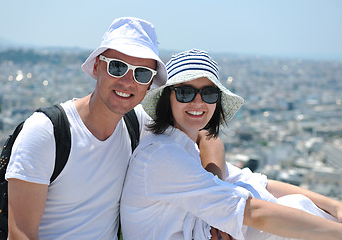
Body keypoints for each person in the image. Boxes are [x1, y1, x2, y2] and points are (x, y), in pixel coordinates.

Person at [5, 18, 224, 240]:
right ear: (97, 66)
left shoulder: (136, 124)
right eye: (117, 67)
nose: (128, 82)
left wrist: (214, 195)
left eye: (142, 74)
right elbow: (20, 234)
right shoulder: (47, 132)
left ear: (149, 84)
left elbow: (206, 136)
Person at [120, 49, 342, 240]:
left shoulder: (182, 148)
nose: (198, 102)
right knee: (297, 207)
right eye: (185, 92)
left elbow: (260, 183)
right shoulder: (163, 155)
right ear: (167, 98)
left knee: (297, 203)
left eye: (208, 93)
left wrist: (335, 206)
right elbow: (255, 213)